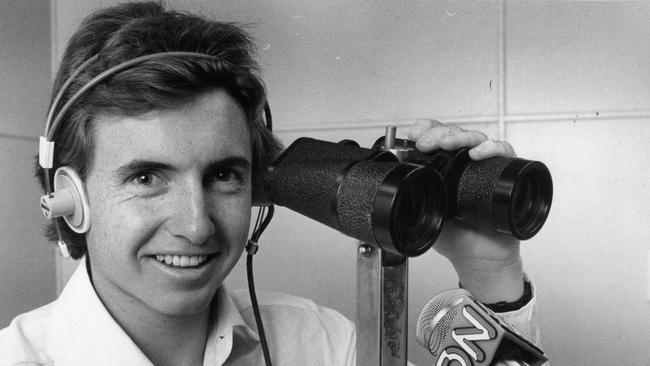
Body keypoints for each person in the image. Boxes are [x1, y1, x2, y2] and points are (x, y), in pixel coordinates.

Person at [0, 2, 544, 365]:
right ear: (70, 198)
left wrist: (491, 274)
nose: (196, 224)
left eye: (224, 175)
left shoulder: (322, 345)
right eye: (147, 177)